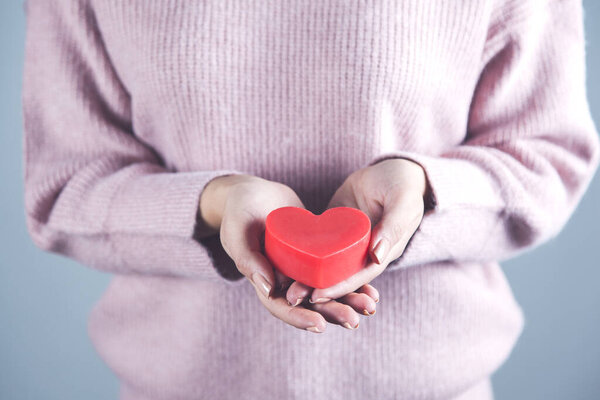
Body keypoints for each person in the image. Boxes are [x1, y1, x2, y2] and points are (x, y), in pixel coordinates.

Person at [22, 0, 599, 399]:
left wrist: (422, 191)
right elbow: (64, 187)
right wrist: (213, 205)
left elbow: (546, 155)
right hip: (174, 385)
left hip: (433, 386)